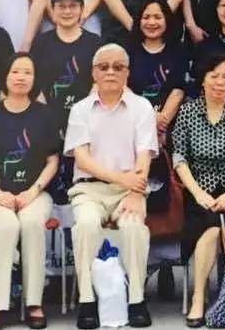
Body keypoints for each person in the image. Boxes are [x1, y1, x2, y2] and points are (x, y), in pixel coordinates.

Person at [64, 43, 157, 329]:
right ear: (93, 73)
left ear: (127, 72)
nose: (111, 72)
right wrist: (123, 178)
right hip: (88, 190)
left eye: (118, 67)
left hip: (128, 191)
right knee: (85, 226)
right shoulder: (80, 109)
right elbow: (82, 160)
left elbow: (144, 156)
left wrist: (135, 192)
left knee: (134, 228)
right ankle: (87, 300)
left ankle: (136, 300)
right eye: (103, 67)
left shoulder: (141, 107)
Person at [0, 54, 60, 330]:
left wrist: (33, 191)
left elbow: (52, 161)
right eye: (15, 71)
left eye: (27, 72)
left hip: (35, 194)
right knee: (8, 225)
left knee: (32, 223)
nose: (21, 77)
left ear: (35, 79)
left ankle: (34, 303)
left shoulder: (44, 115)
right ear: (5, 76)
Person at [171, 54, 225, 327]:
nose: (220, 82)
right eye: (214, 76)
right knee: (209, 230)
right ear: (203, 79)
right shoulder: (187, 112)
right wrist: (198, 193)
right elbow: (179, 157)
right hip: (199, 190)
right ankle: (199, 299)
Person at [33, 0, 103, 118]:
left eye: (73, 6)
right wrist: (45, 115)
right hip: (48, 118)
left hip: (86, 118)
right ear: (53, 9)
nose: (67, 11)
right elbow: (34, 82)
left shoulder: (95, 43)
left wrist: (85, 114)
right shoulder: (41, 43)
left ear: (81, 9)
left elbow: (99, 82)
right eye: (61, 6)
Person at [125, 0, 188, 136]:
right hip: (133, 123)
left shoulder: (178, 50)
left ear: (167, 20)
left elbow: (178, 90)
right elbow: (124, 88)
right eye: (146, 17)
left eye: (157, 17)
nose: (151, 22)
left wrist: (161, 125)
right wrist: (149, 117)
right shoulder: (129, 50)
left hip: (166, 126)